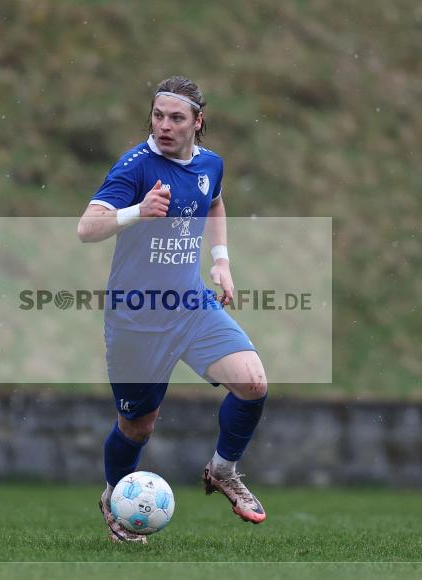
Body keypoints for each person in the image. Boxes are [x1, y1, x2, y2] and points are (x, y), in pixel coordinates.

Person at [77, 76, 268, 544]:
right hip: (136, 318)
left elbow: (215, 203)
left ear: (197, 122)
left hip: (190, 305)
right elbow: (87, 228)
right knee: (137, 427)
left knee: (253, 383)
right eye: (158, 116)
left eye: (176, 118)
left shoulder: (210, 165)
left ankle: (222, 470)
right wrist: (137, 211)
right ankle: (114, 498)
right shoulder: (135, 167)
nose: (164, 125)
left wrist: (220, 261)